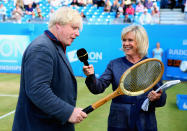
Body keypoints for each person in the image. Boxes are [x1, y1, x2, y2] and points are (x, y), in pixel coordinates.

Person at [12, 7, 87, 131]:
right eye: (74, 28)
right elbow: (38, 89)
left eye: (78, 29)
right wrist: (68, 112)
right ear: (58, 25)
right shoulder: (42, 48)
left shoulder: (53, 45)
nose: (77, 33)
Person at [83, 25, 167, 131]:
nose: (126, 44)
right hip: (118, 122)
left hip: (145, 122)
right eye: (124, 40)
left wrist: (158, 97)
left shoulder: (152, 65)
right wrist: (91, 76)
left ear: (140, 41)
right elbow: (97, 88)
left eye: (130, 40)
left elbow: (162, 99)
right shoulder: (114, 64)